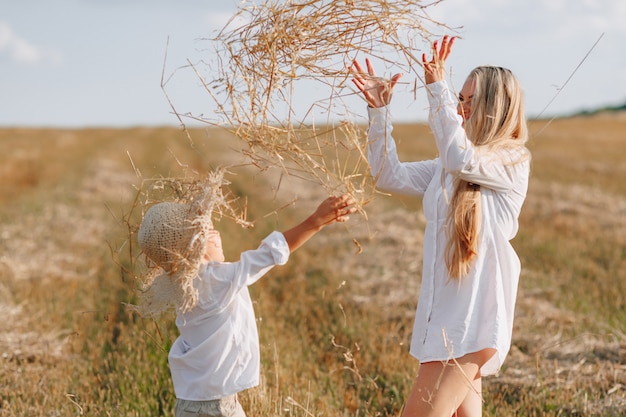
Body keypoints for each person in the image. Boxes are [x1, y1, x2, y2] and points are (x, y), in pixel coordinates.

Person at [351, 35, 531, 416]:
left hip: (471, 325)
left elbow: (456, 155)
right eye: (459, 100)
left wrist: (438, 87)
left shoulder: (511, 160)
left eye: (468, 101)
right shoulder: (449, 167)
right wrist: (379, 113)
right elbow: (388, 175)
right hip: (444, 321)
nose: (460, 109)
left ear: (494, 107)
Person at [136, 189, 356, 417]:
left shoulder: (182, 286)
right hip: (217, 407)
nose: (217, 232)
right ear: (194, 246)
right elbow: (268, 254)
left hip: (188, 404)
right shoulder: (213, 280)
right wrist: (315, 222)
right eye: (209, 230)